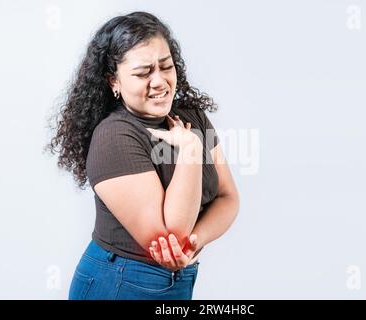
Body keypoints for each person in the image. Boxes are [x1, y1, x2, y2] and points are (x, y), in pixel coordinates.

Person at [45, 11, 239, 300]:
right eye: (143, 72)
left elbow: (228, 197)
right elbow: (172, 232)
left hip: (179, 279)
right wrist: (190, 150)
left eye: (166, 66)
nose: (160, 81)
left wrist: (195, 241)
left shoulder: (192, 116)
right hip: (119, 282)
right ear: (114, 81)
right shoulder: (114, 136)